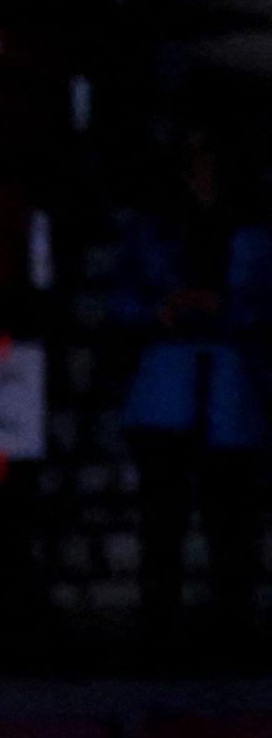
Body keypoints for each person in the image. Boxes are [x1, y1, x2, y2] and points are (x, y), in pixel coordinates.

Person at [110, 124, 271, 649]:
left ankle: (234, 624)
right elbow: (123, 299)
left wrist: (224, 309)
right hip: (167, 387)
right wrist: (162, 310)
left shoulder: (256, 230)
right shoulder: (151, 228)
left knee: (232, 518)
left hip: (233, 388)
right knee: (163, 514)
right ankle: (159, 626)